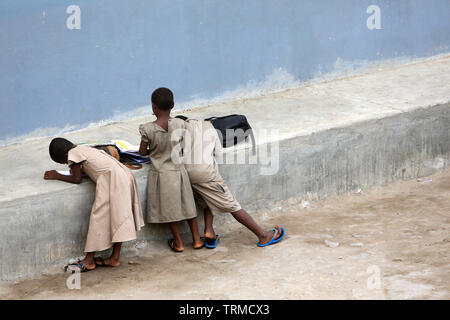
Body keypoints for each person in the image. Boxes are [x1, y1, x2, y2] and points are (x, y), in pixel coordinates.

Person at [179, 117, 286, 248]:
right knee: (232, 205)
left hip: (186, 174)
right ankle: (263, 236)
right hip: (205, 173)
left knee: (207, 199)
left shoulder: (181, 131)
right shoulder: (209, 127)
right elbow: (217, 152)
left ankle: (209, 231)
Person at [44, 138, 145, 272]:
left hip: (112, 181)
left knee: (99, 218)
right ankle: (114, 258)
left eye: (62, 162)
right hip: (123, 176)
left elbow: (76, 179)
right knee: (119, 217)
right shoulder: (84, 149)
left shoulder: (73, 154)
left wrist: (57, 175)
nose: (66, 164)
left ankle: (88, 261)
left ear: (63, 156)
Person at [138, 88, 203, 252]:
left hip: (162, 174)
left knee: (169, 210)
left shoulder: (147, 129)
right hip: (179, 172)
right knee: (188, 206)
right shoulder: (180, 124)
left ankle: (178, 242)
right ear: (173, 105)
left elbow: (142, 152)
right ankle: (196, 240)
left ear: (153, 107)